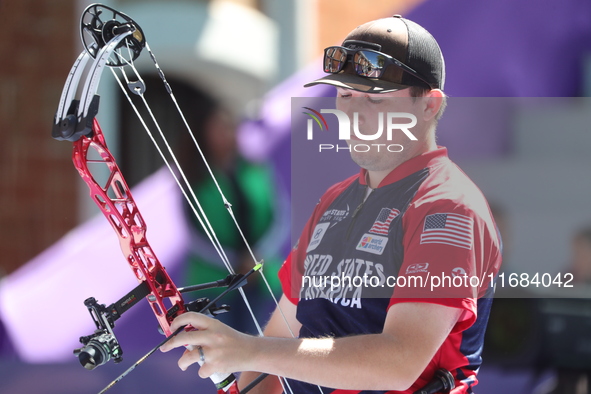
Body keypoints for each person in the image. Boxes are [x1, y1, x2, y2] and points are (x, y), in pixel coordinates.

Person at [161, 15, 502, 394]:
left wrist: (249, 350)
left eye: (374, 98)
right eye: (345, 94)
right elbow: (276, 351)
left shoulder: (448, 206)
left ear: (429, 106)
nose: (353, 113)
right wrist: (250, 358)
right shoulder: (335, 201)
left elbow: (400, 361)